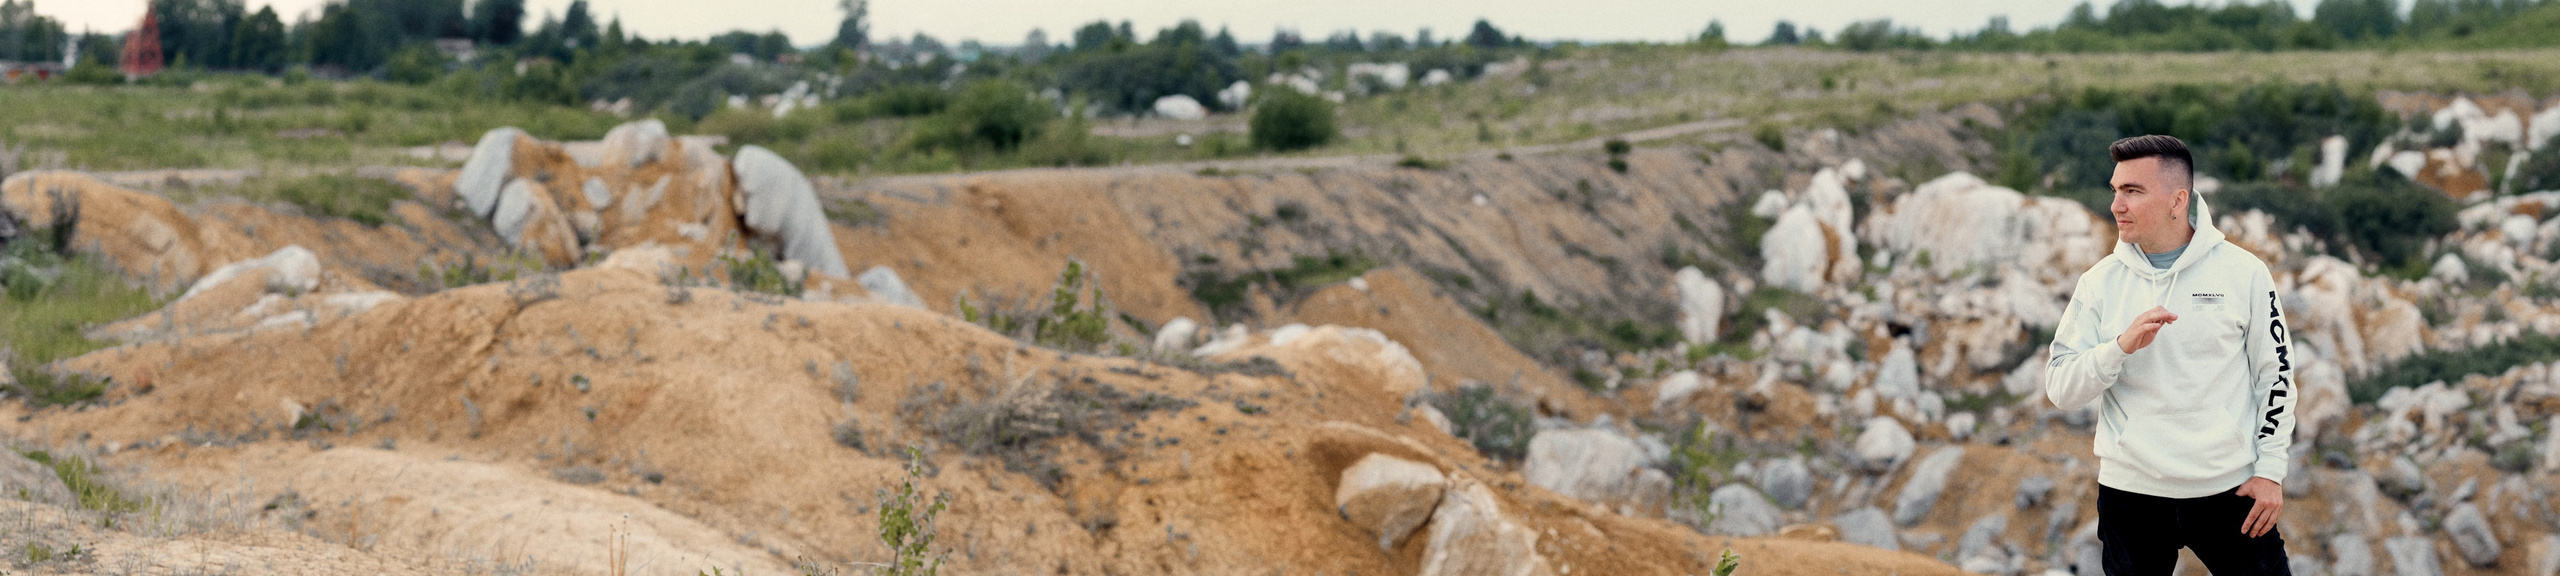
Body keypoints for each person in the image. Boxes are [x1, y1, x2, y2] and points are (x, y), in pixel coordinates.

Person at [2045, 135, 2295, 575]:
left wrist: (2271, 469)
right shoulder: (2099, 283)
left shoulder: (2244, 274)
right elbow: (2061, 389)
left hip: (2230, 491)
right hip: (2131, 495)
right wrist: (2117, 349)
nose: (2117, 205)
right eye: (2115, 191)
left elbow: (2276, 377)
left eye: (2132, 191)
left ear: (2178, 200)